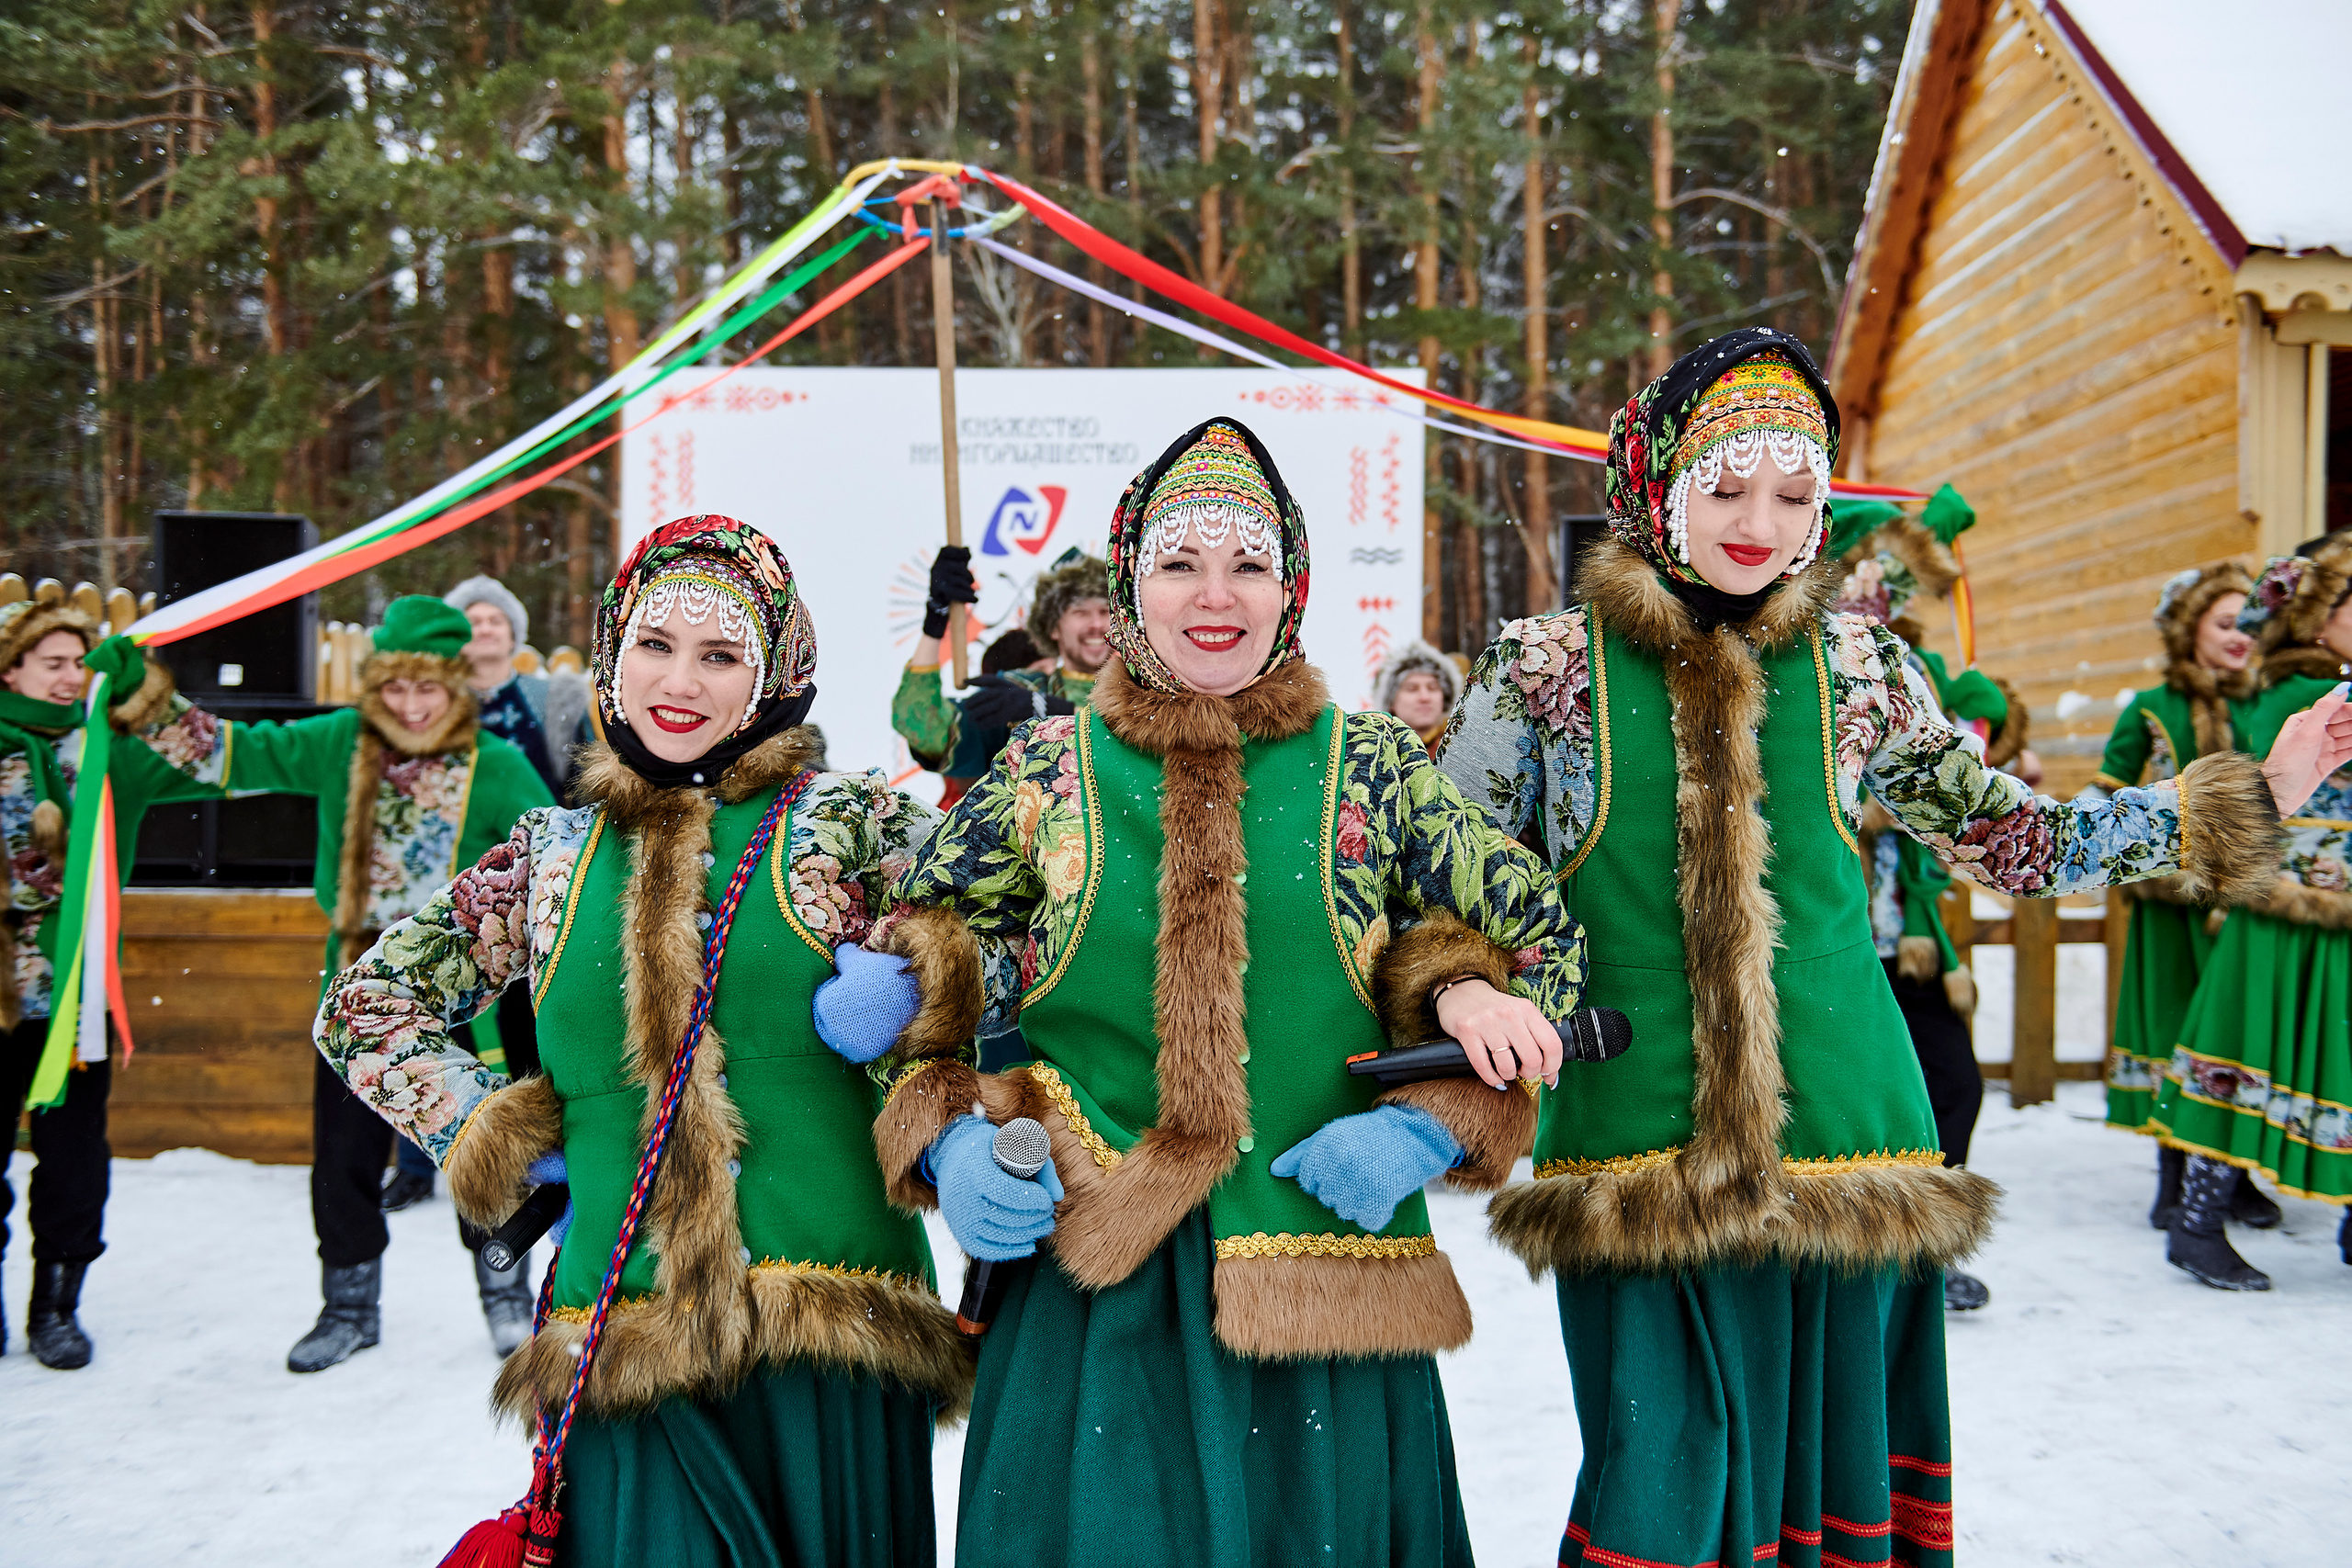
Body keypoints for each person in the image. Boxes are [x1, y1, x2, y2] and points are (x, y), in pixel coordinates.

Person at [1437, 329, 2337, 1568]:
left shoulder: (1861, 665)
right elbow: (1450, 873)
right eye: (1730, 486)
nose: (1763, 522)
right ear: (1659, 486)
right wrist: (1468, 979)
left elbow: (2016, 840)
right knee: (1664, 1470)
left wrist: (2252, 792)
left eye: (1797, 494)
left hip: (1854, 1137)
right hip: (1639, 1138)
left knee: (1833, 1483)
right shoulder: (1544, 671)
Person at [880, 417, 1585, 1567]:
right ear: (1128, 583)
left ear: (1290, 585)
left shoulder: (1373, 764)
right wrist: (947, 1135)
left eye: (1248, 564)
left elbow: (1544, 941)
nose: (1216, 595)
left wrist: (1441, 1097)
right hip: (1093, 1279)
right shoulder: (1043, 771)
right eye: (1179, 563)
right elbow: (914, 969)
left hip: (1326, 1283)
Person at [317, 516, 975, 1564]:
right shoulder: (549, 854)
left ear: (771, 677)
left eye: (721, 655)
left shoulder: (852, 824)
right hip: (615, 1339)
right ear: (612, 659)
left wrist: (926, 976)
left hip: (835, 1339)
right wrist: (493, 1124)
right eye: (654, 645)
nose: (682, 679)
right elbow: (363, 1007)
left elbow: (1024, 951)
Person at [147, 597, 555, 1368]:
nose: (410, 705)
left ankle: (506, 1292)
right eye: (395, 689)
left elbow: (560, 865)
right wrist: (144, 698)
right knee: (342, 1155)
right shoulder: (340, 742)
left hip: (466, 1000)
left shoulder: (495, 764)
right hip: (359, 1000)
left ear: (456, 686)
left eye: (427, 689)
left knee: (490, 1144)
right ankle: (348, 1305)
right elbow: (228, 754)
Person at [0, 604, 225, 1367]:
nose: (70, 678)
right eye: (52, 663)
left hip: (73, 1006)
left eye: (78, 663)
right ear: (11, 669)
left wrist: (145, 695)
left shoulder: (103, 749)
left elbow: (203, 756)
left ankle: (57, 1307)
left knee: (70, 1157)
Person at [2149, 537, 2352, 1287]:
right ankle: (2197, 1222)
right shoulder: (2283, 690)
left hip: (2340, 908)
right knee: (2242, 1048)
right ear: (2319, 616)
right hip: (2280, 904)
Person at [1830, 516, 2007, 1313]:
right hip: (1834, 944)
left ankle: (1924, 1244)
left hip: (1910, 938)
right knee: (1854, 1106)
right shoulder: (1796, 657)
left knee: (1954, 1085)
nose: (1880, 594)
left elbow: (1961, 772)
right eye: (1872, 576)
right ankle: (1871, 1259)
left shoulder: (1906, 668)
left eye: (1894, 584)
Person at [2079, 564, 2264, 1231]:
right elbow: (2106, 790)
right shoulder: (2151, 706)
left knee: (2238, 1031)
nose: (2240, 635)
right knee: (2174, 1025)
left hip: (2247, 903)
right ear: (2189, 630)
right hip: (2170, 903)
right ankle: (2172, 1177)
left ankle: (2231, 1174)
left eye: (2249, 621)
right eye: (2224, 622)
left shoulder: (2265, 702)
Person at [892, 546, 1110, 805]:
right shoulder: (1018, 691)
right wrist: (935, 619)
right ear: (1054, 627)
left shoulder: (1148, 682)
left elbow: (1145, 746)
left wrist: (1057, 711)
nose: (1096, 624)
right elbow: (922, 725)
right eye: (1081, 613)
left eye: (1105, 612)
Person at [444, 574, 593, 799]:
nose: (485, 629)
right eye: (474, 622)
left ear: (513, 637)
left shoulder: (553, 699)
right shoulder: (438, 700)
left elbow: (585, 782)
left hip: (544, 829)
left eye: (496, 621)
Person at [1375, 639, 1461, 757]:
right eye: (1412, 689)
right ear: (1391, 701)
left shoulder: (1460, 753)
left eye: (1432, 687)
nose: (1425, 697)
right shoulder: (1375, 754)